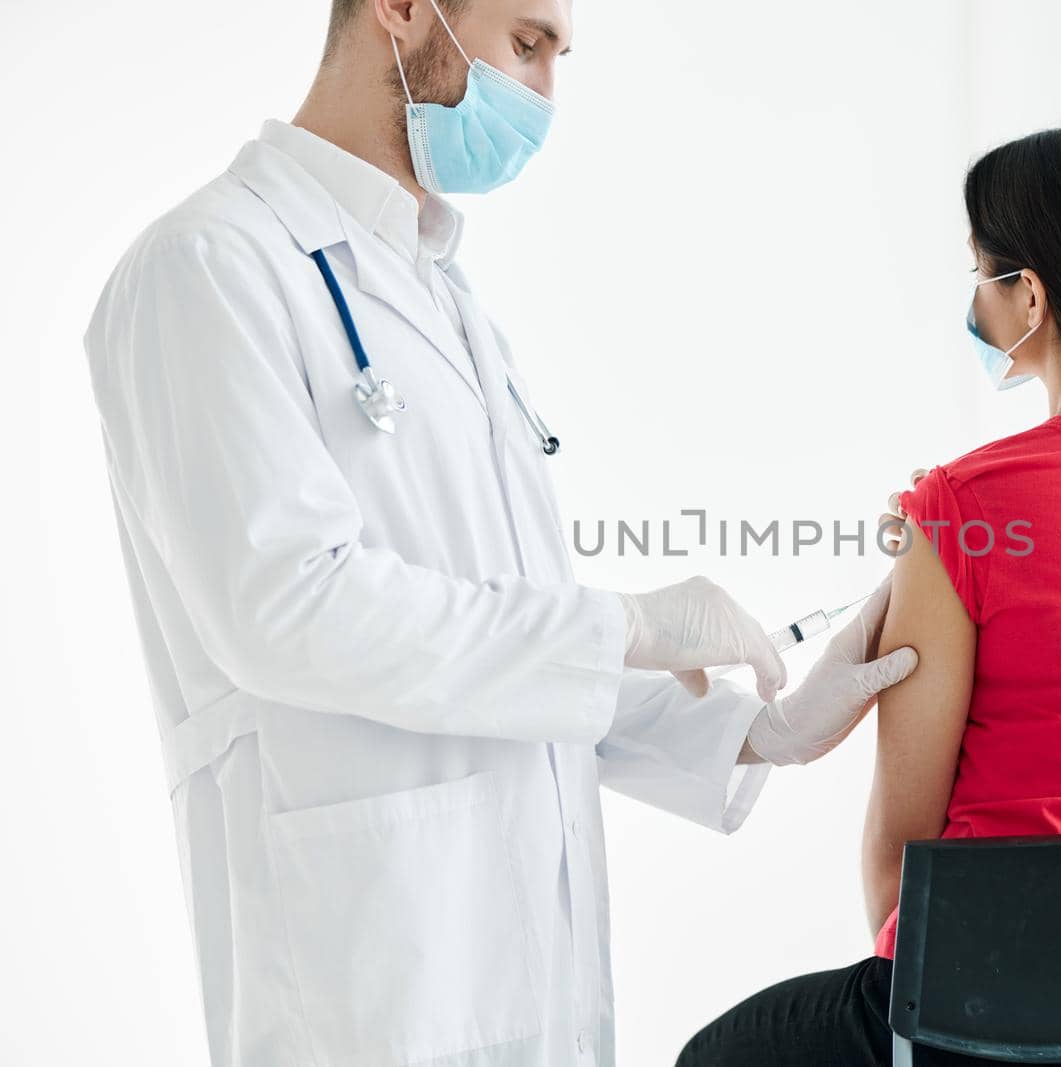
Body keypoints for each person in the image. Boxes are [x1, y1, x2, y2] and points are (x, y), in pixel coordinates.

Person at [80, 2, 918, 1065]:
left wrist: (754, 730)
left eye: (559, 57)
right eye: (526, 45)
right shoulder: (207, 267)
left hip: (527, 972)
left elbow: (496, 655)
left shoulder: (443, 295)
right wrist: (621, 624)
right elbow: (288, 610)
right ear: (397, 9)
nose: (542, 97)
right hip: (365, 978)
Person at [677, 122, 1061, 1066]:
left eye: (981, 274)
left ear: (1029, 296)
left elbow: (898, 868)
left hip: (977, 1018)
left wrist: (942, 532)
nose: (974, 301)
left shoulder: (962, 506)